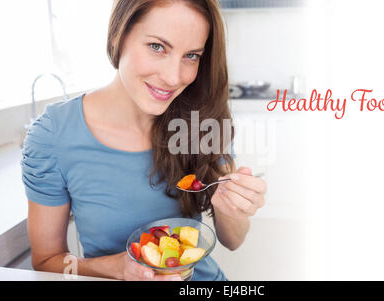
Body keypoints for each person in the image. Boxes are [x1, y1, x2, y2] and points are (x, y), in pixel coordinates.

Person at [21, 0, 267, 281]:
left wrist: (230, 208)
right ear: (117, 35)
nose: (173, 77)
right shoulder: (54, 136)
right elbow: (46, 262)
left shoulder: (202, 120)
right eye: (157, 47)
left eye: (192, 55)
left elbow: (233, 241)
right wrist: (117, 268)